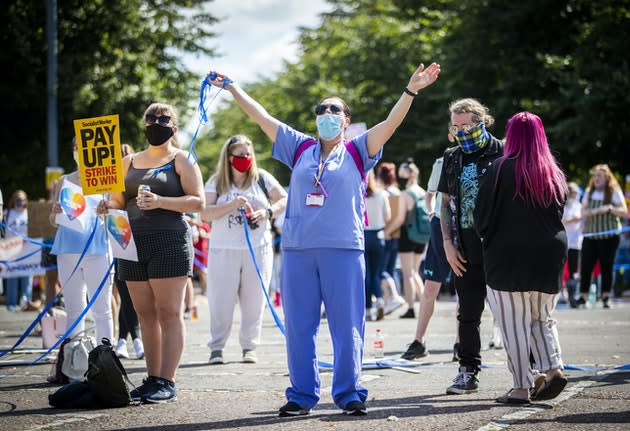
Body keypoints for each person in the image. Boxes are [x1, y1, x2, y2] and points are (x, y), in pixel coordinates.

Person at [208, 62, 440, 417]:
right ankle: (301, 394)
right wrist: (233, 89)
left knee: (347, 326)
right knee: (299, 327)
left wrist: (410, 90)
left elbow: (390, 124)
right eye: (321, 110)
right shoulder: (299, 147)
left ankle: (349, 393)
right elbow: (261, 117)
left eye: (335, 110)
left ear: (346, 120)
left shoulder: (359, 149)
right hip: (299, 250)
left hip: (344, 250)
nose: (326, 114)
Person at [98, 102, 205, 403]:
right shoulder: (127, 162)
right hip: (130, 242)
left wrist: (161, 201)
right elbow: (118, 201)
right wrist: (107, 207)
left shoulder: (182, 160)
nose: (156, 122)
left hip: (169, 241)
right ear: (143, 124)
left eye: (163, 118)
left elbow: (198, 203)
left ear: (174, 126)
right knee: (144, 314)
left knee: (169, 313)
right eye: (150, 117)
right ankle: (151, 378)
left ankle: (166, 381)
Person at [474, 111, 568, 404]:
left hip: (507, 255)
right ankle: (553, 369)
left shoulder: (498, 169)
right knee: (542, 318)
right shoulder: (552, 171)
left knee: (514, 323)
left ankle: (521, 386)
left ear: (510, 136)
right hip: (549, 253)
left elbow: (481, 217)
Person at [201, 134, 287, 365]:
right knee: (221, 301)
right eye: (240, 155)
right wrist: (231, 205)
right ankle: (216, 347)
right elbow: (205, 213)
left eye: (248, 154)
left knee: (254, 301)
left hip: (258, 249)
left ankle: (249, 346)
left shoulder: (262, 179)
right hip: (223, 249)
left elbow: (284, 199)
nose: (245, 158)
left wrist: (267, 212)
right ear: (229, 158)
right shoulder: (216, 181)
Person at [438, 98, 503, 394]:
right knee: (468, 314)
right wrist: (448, 244)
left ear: (482, 121)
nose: (463, 131)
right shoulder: (452, 156)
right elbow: (446, 204)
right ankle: (468, 372)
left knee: (511, 314)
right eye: (457, 126)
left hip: (500, 246)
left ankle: (528, 371)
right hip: (464, 248)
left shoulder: (502, 151)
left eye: (468, 124)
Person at [49, 138, 114, 344]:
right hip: (67, 251)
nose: (80, 151)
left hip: (98, 251)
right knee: (73, 309)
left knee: (101, 309)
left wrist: (107, 211)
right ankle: (73, 362)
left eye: (83, 147)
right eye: (76, 147)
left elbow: (115, 216)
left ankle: (105, 360)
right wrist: (55, 212)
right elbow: (53, 221)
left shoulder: (106, 181)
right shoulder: (63, 181)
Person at [401, 154, 456, 360]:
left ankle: (461, 343)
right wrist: (431, 212)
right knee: (430, 286)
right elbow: (430, 194)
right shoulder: (441, 162)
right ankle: (419, 341)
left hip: (466, 227)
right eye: (456, 129)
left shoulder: (478, 158)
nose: (461, 133)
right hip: (440, 226)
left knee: (463, 288)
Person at [577, 164, 628, 308]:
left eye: (599, 175)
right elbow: (582, 212)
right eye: (595, 175)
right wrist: (596, 211)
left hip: (609, 235)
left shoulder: (613, 191)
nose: (596, 178)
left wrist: (610, 208)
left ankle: (606, 296)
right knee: (586, 266)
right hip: (591, 234)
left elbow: (624, 211)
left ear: (607, 177)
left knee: (607, 266)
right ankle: (583, 296)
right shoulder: (589, 191)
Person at [114, 144, 145, 360]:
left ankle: (127, 340)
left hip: (139, 236)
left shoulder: (139, 179)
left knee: (133, 296)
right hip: (118, 238)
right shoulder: (111, 182)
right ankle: (129, 339)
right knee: (123, 292)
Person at [385, 160, 427, 318]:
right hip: (422, 236)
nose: (400, 176)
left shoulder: (405, 194)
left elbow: (400, 219)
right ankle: (425, 304)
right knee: (415, 271)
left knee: (407, 273)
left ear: (410, 175)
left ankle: (411, 308)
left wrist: (387, 231)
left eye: (402, 173)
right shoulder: (422, 192)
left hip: (408, 236)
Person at [377, 162, 406, 314]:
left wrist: (387, 230)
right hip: (397, 235)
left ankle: (392, 298)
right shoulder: (397, 191)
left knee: (381, 270)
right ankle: (392, 299)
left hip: (385, 234)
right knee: (391, 268)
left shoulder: (382, 193)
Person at [364, 171, 390, 321]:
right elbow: (387, 216)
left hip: (364, 234)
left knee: (366, 275)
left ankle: (368, 310)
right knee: (377, 273)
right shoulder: (382, 194)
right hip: (379, 235)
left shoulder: (359, 193)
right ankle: (380, 300)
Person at [4, 190, 33, 311]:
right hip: (11, 250)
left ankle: (26, 302)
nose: (20, 202)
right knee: (12, 276)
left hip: (26, 250)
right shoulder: (7, 213)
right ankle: (11, 304)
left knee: (27, 277)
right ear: (13, 201)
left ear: (26, 201)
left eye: (22, 199)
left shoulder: (29, 213)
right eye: (17, 199)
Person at [562, 182, 583, 307]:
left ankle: (572, 297)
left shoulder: (579, 206)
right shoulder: (563, 205)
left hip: (575, 243)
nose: (573, 194)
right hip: (563, 242)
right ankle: (561, 294)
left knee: (573, 271)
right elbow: (561, 220)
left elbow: (583, 220)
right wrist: (572, 220)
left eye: (574, 191)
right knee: (559, 270)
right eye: (570, 191)